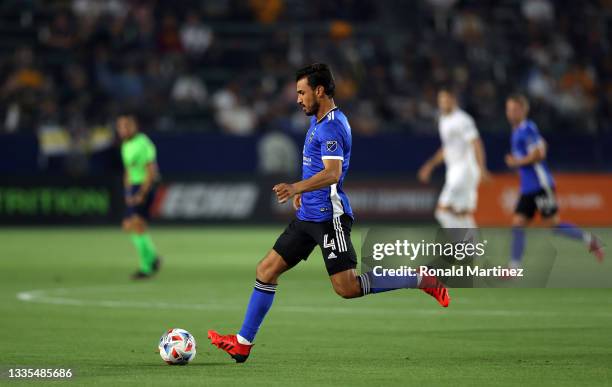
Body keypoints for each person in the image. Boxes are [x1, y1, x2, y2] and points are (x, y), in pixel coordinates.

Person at [207, 63, 450, 364]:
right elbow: (317, 167)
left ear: (319, 90)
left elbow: (333, 173)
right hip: (308, 215)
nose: (297, 99)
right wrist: (305, 193)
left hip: (329, 218)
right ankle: (243, 343)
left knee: (346, 288)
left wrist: (296, 187)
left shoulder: (333, 125)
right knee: (266, 271)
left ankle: (417, 279)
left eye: (301, 92)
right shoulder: (319, 121)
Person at [504, 94, 604, 269]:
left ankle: (590, 240)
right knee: (518, 223)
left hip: (540, 185)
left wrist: (516, 162)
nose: (510, 113)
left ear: (523, 110)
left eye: (514, 109)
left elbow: (539, 154)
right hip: (527, 188)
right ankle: (514, 268)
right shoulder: (517, 131)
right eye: (508, 109)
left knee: (552, 225)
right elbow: (542, 145)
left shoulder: (527, 128)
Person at [418, 88, 490, 228]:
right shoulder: (443, 120)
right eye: (441, 100)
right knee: (461, 213)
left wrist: (482, 168)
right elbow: (446, 148)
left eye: (446, 100)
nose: (443, 103)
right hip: (455, 171)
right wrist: (430, 165)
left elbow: (476, 143)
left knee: (442, 211)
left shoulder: (463, 120)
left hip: (464, 170)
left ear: (454, 100)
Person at [116, 113, 162, 279]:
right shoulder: (125, 145)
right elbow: (128, 171)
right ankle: (153, 258)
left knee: (135, 224)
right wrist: (128, 192)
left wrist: (142, 193)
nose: (123, 130)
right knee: (130, 225)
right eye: (120, 127)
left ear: (134, 126)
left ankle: (146, 267)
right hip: (134, 187)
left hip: (145, 186)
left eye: (126, 126)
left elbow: (151, 171)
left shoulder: (142, 144)